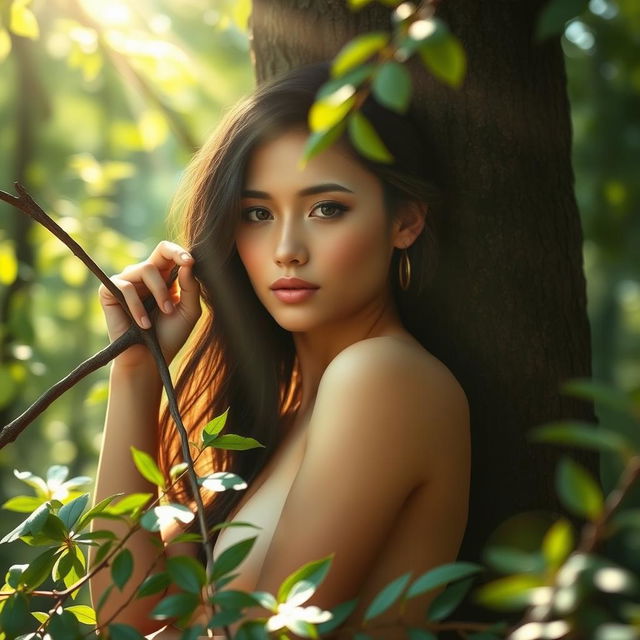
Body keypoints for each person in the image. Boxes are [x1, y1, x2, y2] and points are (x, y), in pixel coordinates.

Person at [90, 61, 471, 639]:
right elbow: (126, 617)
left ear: (406, 221)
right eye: (257, 214)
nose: (287, 249)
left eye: (326, 209)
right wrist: (135, 368)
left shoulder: (385, 377)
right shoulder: (282, 414)